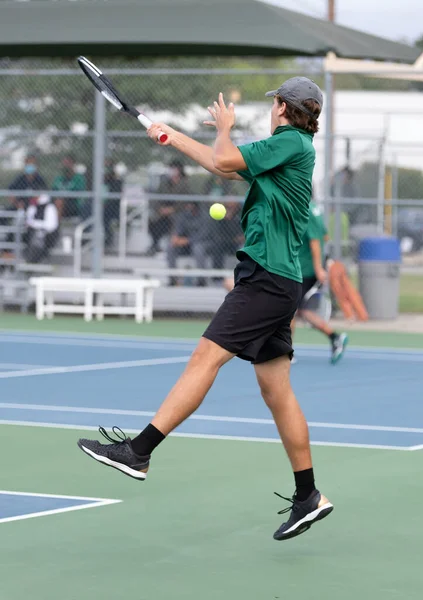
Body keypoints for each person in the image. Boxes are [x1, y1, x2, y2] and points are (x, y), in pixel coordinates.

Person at [78, 77, 334, 542]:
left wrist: (224, 128)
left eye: (274, 101)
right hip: (280, 281)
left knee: (205, 358)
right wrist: (169, 134)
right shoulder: (287, 150)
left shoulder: (289, 143)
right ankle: (308, 496)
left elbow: (223, 157)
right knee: (276, 392)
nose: (271, 107)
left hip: (266, 278)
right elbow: (227, 170)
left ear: (282, 106)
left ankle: (139, 451)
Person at [291, 203, 348, 364]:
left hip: (304, 271)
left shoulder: (304, 210)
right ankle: (335, 337)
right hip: (304, 269)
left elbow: (315, 241)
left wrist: (318, 269)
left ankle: (287, 351)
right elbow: (325, 237)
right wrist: (325, 261)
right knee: (302, 311)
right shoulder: (314, 209)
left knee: (290, 311)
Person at [147, 160, 190, 256]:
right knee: (153, 222)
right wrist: (160, 209)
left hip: (178, 211)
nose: (172, 171)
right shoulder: (164, 182)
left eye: (174, 168)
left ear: (179, 170)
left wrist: (172, 209)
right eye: (171, 168)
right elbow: (157, 197)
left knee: (175, 222)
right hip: (162, 210)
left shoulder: (185, 183)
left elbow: (185, 201)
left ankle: (174, 247)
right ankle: (155, 244)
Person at [24, 193, 59, 263]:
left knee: (38, 242)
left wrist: (35, 224)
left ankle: (32, 263)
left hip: (48, 235)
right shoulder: (33, 207)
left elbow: (51, 226)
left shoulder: (50, 207)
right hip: (32, 234)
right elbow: (28, 220)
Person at [52, 154, 86, 219]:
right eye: (64, 163)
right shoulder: (58, 178)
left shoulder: (79, 178)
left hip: (73, 204)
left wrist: (63, 198)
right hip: (58, 202)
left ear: (73, 164)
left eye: (68, 163)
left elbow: (77, 194)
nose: (66, 165)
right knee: (57, 202)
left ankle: (56, 227)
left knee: (59, 202)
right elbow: (53, 191)